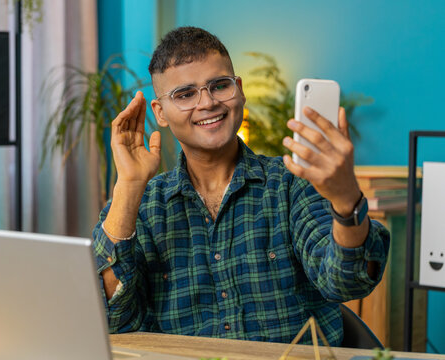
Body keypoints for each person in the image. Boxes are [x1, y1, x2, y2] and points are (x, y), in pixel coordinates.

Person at [92, 26, 390, 346]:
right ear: (160, 113)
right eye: (185, 93)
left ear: (240, 91)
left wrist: (346, 199)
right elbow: (112, 321)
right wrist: (130, 184)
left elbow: (346, 283)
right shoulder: (142, 205)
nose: (207, 102)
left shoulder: (293, 183)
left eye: (219, 86)